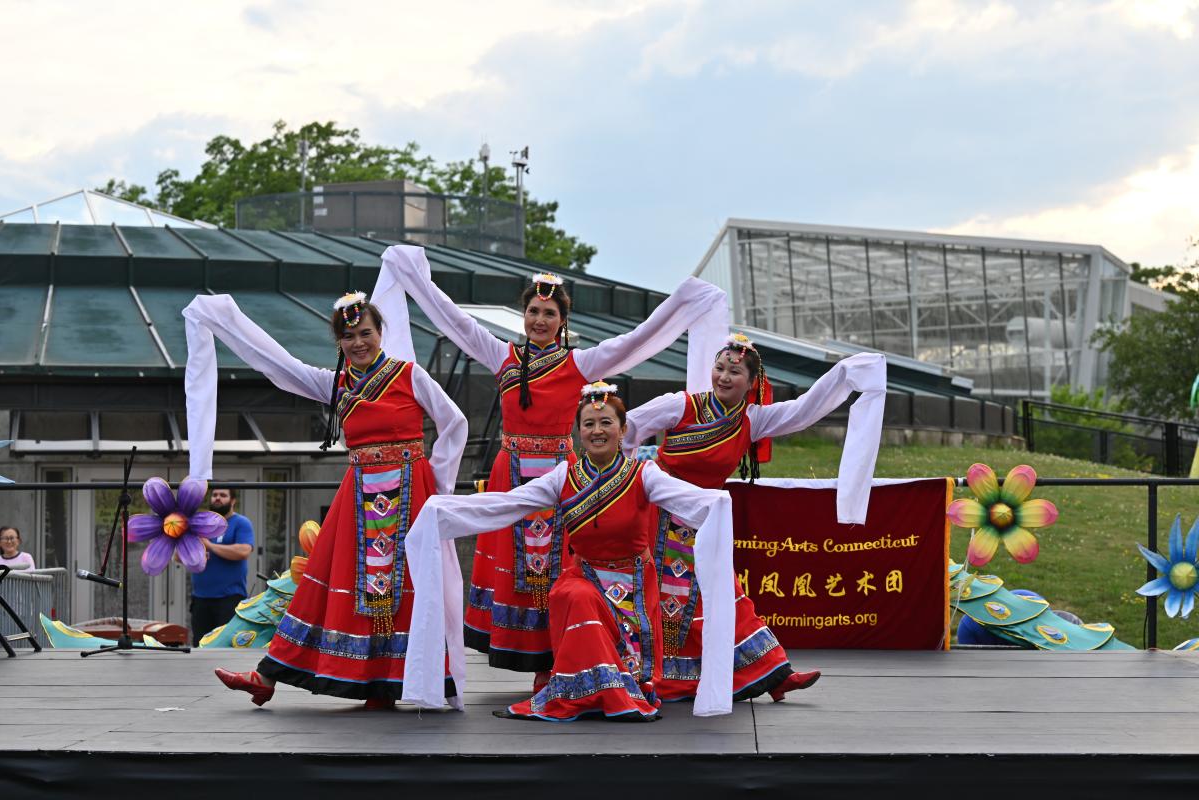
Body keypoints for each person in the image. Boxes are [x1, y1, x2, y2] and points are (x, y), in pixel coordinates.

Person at [373, 245, 727, 691]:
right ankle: (532, 657)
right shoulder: (500, 355)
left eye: (550, 313)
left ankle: (558, 659)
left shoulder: (581, 363)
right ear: (524, 315)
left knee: (560, 571)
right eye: (534, 311)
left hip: (564, 481)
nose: (540, 320)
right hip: (514, 471)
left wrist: (681, 302)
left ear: (564, 321)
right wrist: (416, 279)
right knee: (523, 579)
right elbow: (454, 319)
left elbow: (635, 339)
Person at [182, 288, 466, 708]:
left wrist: (438, 491)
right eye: (349, 337)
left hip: (411, 494)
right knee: (325, 588)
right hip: (359, 496)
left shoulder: (410, 375)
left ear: (380, 332)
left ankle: (386, 685)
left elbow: (454, 422)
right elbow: (283, 367)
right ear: (339, 342)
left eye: (365, 333)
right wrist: (227, 321)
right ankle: (267, 676)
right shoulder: (336, 385)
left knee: (407, 590)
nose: (358, 343)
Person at [400, 383, 736, 720]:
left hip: (632, 587)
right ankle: (601, 692)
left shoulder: (644, 475)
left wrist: (717, 503)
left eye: (606, 422)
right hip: (585, 577)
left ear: (622, 430)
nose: (597, 430)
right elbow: (508, 503)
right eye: (589, 423)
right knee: (575, 596)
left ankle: (610, 690)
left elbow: (687, 498)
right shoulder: (564, 477)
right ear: (577, 433)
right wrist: (441, 511)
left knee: (606, 633)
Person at [622, 335, 887, 703]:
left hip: (706, 522)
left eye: (734, 371)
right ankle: (649, 675)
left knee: (727, 595)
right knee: (661, 599)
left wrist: (846, 374)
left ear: (752, 383)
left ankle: (775, 674)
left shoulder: (752, 420)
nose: (724, 377)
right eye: (719, 368)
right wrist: (627, 478)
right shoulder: (680, 407)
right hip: (660, 519)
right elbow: (626, 427)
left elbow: (804, 409)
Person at [189, 487, 254, 646]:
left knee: (226, 647)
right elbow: (178, 556)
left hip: (229, 600)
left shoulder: (241, 523)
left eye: (223, 495)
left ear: (233, 501)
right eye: (215, 495)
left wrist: (210, 546)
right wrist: (195, 552)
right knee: (201, 646)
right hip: (200, 600)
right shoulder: (200, 524)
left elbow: (244, 551)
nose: (217, 498)